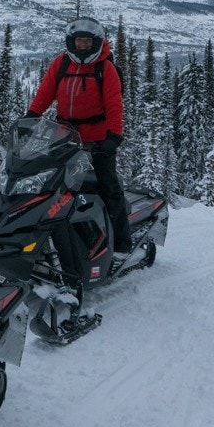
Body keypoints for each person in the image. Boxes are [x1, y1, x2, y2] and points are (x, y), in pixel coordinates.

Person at [24, 15, 133, 263]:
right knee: (55, 185)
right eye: (79, 42)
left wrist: (114, 136)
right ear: (71, 42)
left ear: (96, 43)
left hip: (97, 141)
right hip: (65, 137)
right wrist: (30, 116)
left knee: (108, 186)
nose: (82, 46)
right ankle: (55, 234)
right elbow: (45, 93)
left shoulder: (105, 69)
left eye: (87, 42)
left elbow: (115, 103)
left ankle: (121, 241)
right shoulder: (61, 64)